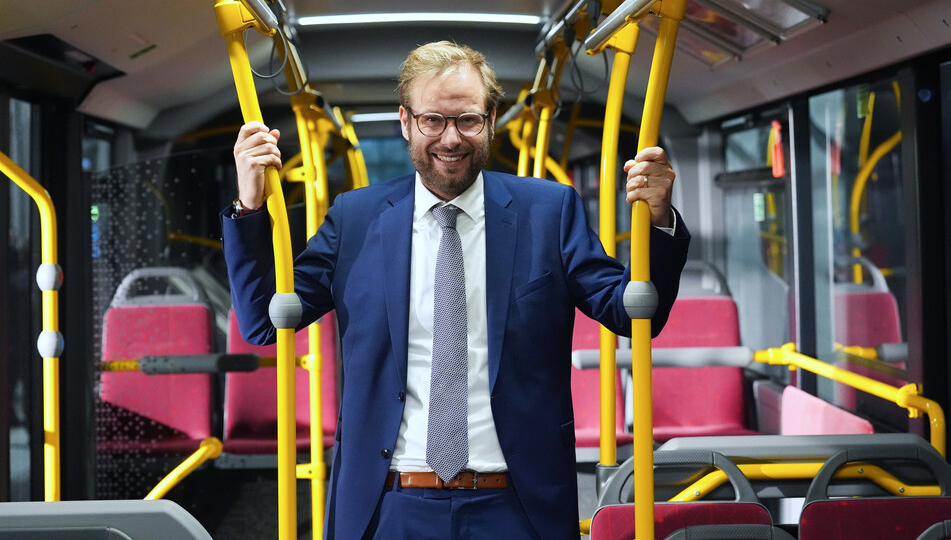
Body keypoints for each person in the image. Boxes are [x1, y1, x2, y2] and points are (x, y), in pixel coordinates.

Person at [222, 40, 690, 539]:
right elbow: (263, 322)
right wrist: (249, 208)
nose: (451, 139)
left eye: (467, 120)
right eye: (433, 121)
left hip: (517, 503)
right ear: (406, 122)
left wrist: (658, 219)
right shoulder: (355, 219)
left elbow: (634, 311)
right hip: (388, 504)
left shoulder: (549, 212)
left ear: (490, 119)